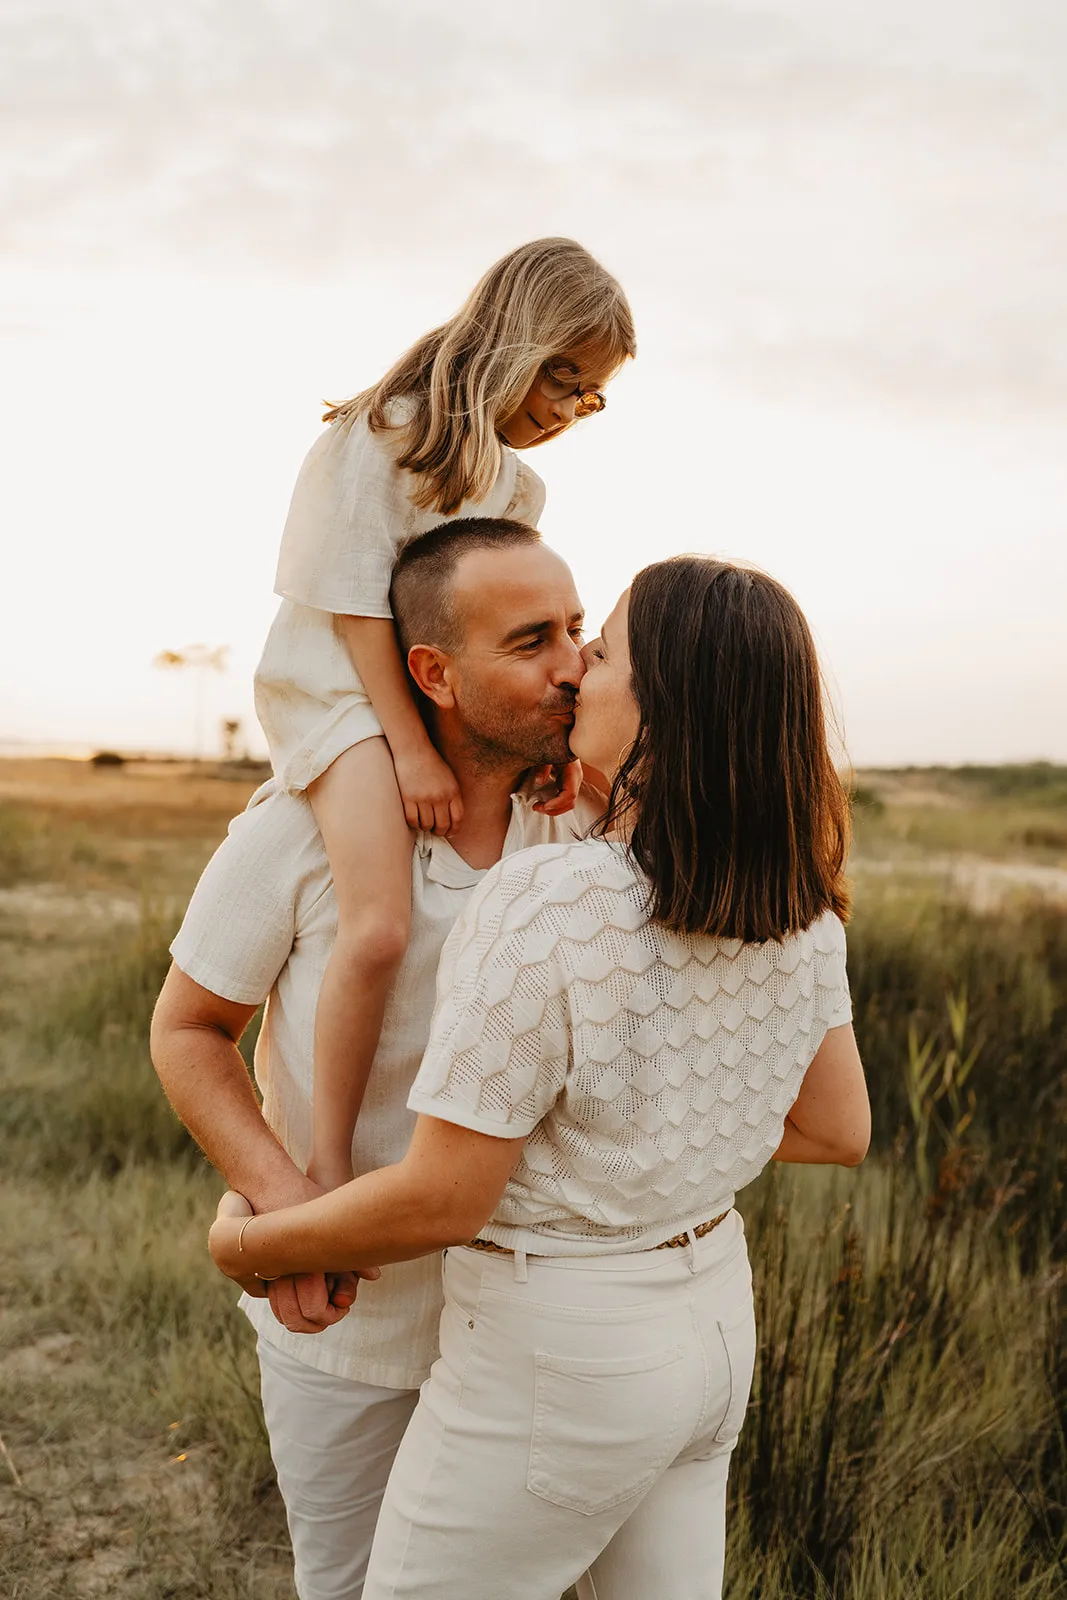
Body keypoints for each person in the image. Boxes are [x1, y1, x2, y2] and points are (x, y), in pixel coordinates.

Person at [209, 554, 872, 1600]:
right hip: (708, 1327)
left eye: (599, 651)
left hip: (564, 1351)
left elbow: (447, 1194)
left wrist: (246, 1242)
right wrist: (637, 1130)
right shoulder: (799, 901)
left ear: (665, 710)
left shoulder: (551, 894)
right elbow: (838, 1126)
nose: (577, 672)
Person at [151, 518, 604, 1600]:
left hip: (534, 1331)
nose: (573, 666)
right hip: (346, 1329)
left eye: (579, 630)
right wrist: (283, 1207)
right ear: (432, 672)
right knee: (351, 1586)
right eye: (534, 639)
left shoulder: (591, 833)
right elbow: (187, 1027)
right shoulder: (302, 831)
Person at [254, 237, 634, 1193]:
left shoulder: (519, 488)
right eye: (561, 377)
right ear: (513, 337)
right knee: (378, 926)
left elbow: (502, 630)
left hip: (435, 710)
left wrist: (551, 746)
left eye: (588, 396)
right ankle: (327, 1159)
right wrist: (408, 756)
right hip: (343, 695)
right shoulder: (383, 433)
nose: (566, 412)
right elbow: (350, 604)